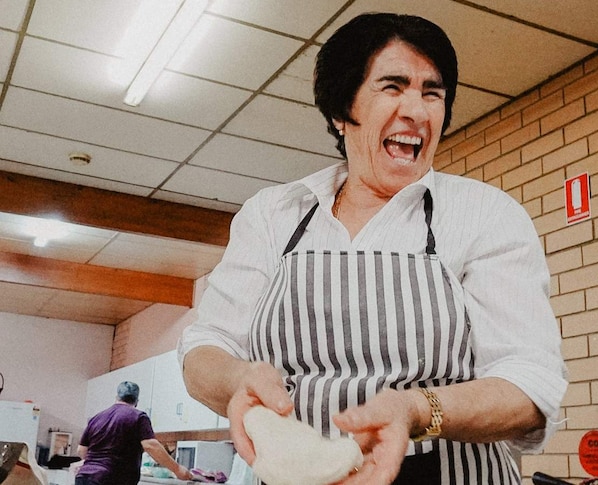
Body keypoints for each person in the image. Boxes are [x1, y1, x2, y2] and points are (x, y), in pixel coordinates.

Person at [179, 12, 567, 485]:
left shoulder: (484, 214)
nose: (419, 112)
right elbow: (207, 346)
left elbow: (529, 385)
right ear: (342, 111)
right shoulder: (274, 214)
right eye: (393, 86)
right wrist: (235, 380)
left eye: (432, 92)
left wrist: (417, 408)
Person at [74, 381, 192, 485]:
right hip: (112, 479)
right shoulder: (138, 416)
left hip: (84, 477)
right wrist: (177, 469)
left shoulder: (96, 418)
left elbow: (81, 450)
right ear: (136, 401)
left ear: (117, 397)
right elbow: (151, 445)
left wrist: (94, 464)